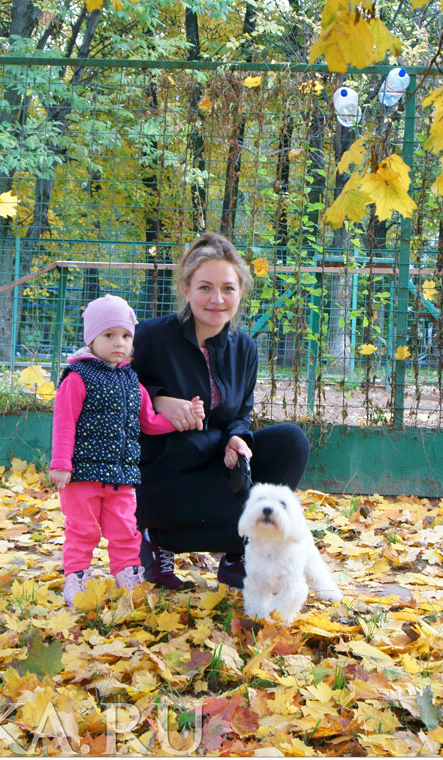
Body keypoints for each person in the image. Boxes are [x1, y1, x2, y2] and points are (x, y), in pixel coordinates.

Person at [130, 233, 312, 590]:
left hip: (215, 467)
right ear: (186, 290)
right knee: (249, 514)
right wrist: (155, 398)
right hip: (161, 477)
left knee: (291, 442)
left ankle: (236, 557)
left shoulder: (244, 348)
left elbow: (241, 414)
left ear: (240, 292)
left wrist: (238, 440)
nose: (217, 299)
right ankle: (154, 538)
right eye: (205, 287)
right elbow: (97, 381)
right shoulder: (149, 337)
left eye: (228, 288)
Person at [49, 294, 196, 606]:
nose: (119, 343)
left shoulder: (133, 382)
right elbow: (64, 422)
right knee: (82, 530)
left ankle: (128, 577)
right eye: (109, 335)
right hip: (83, 475)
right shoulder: (77, 377)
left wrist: (180, 421)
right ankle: (76, 579)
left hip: (122, 476)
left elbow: (150, 422)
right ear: (91, 339)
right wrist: (61, 463)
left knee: (126, 530)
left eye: (126, 336)